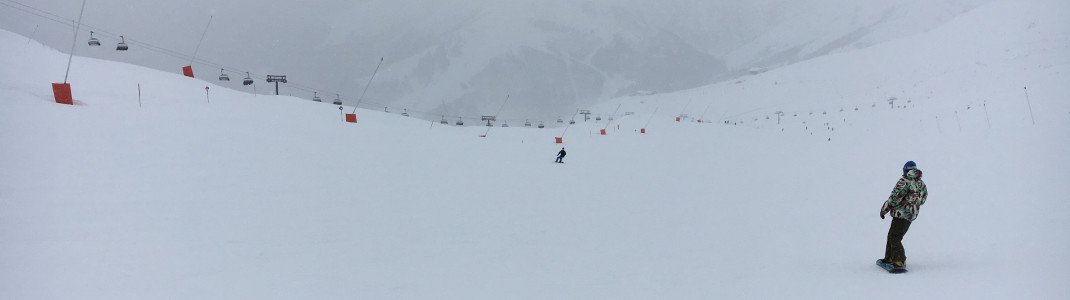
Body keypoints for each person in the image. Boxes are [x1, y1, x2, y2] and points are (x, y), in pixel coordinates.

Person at [879, 161, 928, 269]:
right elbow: (923, 199)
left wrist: (884, 209)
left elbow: (894, 198)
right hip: (911, 215)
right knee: (892, 235)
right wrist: (914, 205)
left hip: (901, 214)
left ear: (905, 170)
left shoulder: (904, 181)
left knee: (895, 237)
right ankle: (889, 258)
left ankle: (899, 261)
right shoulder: (921, 183)